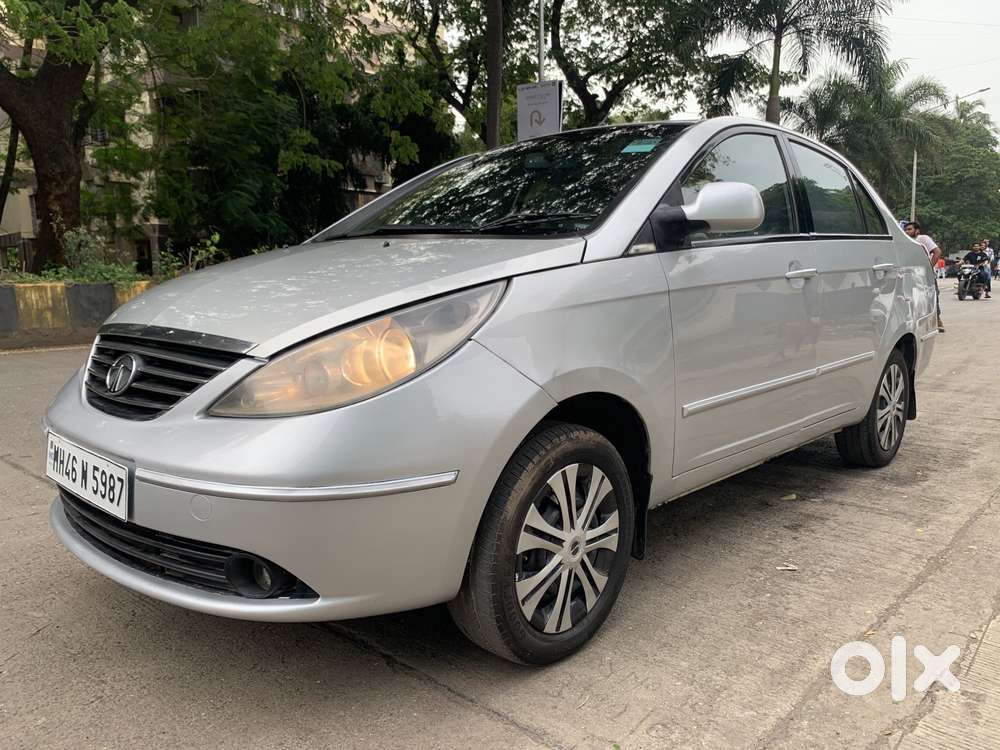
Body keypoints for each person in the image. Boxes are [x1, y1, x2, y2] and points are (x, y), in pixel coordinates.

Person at [904, 221, 945, 331]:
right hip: (910, 273)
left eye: (910, 229)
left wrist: (929, 268)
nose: (907, 232)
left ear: (917, 230)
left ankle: (937, 319)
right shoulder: (904, 242)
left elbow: (937, 252)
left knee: (931, 295)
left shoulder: (923, 239)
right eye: (906, 230)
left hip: (924, 273)